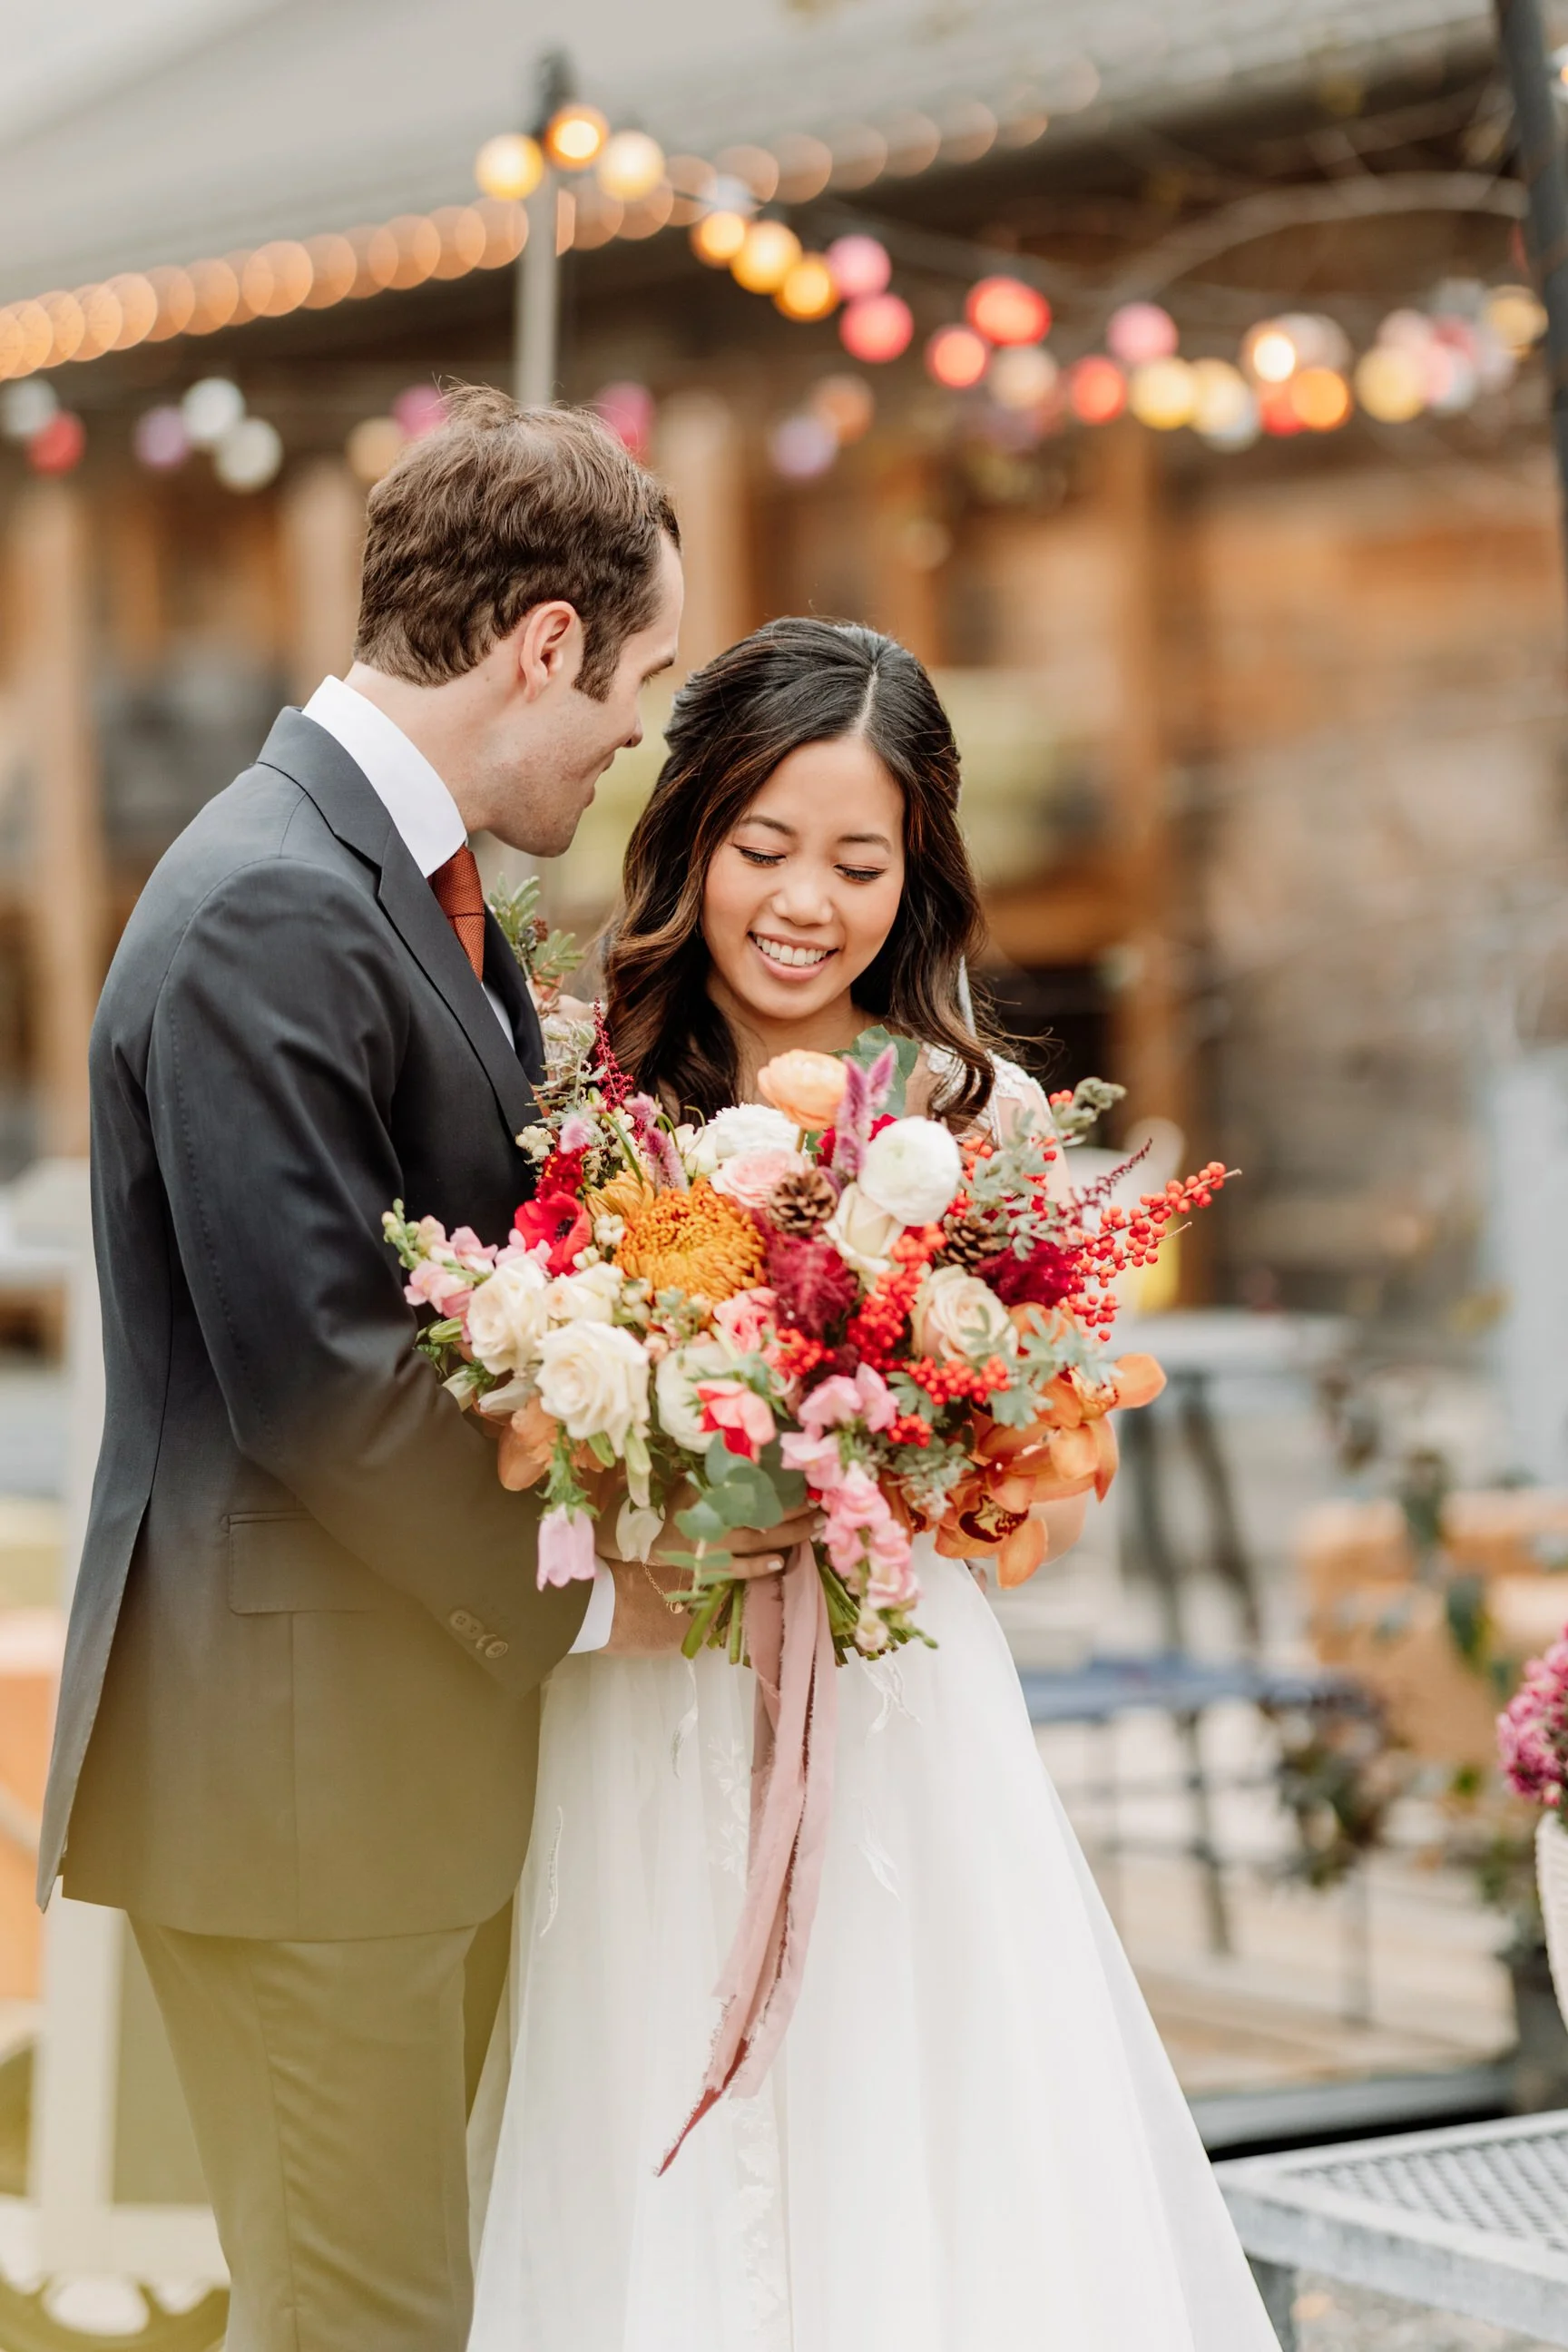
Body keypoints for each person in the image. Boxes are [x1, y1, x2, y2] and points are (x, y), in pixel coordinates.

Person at [36, 387, 799, 2352]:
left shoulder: (399, 887)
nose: (635, 733)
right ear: (542, 641)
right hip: (297, 1795)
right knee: (359, 2327)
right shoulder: (272, 909)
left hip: (371, 1777)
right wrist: (596, 1591)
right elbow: (324, 1383)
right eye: (632, 681)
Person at [469, 617, 1279, 2350]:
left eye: (860, 859)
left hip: (906, 1709)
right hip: (645, 1701)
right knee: (649, 2099)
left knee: (913, 2110)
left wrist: (917, 1470)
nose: (805, 900)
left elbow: (1054, 1481)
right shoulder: (580, 1095)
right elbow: (515, 1418)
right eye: (766, 846)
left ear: (917, 878)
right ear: (689, 834)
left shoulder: (972, 1124)